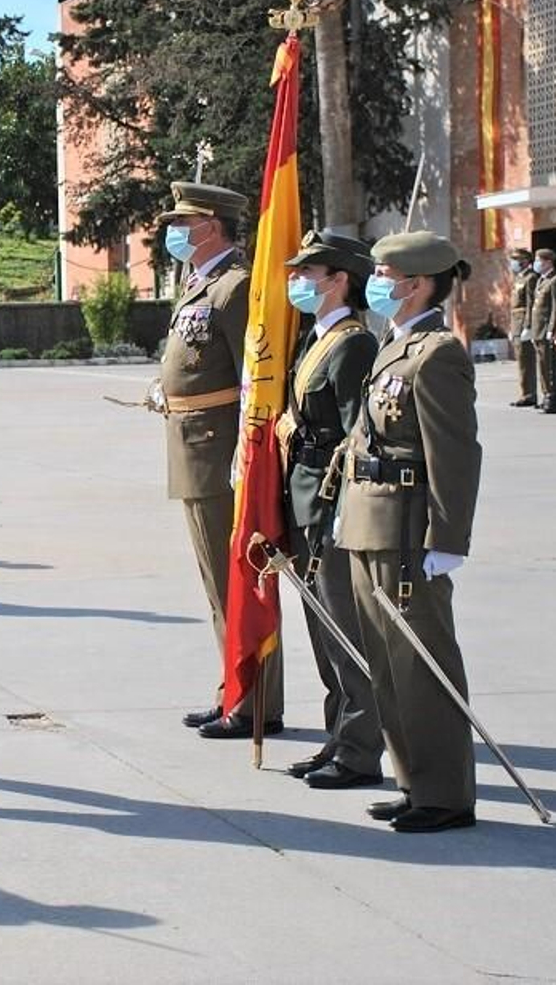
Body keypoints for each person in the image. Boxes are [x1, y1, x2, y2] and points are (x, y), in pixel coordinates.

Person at [337, 231, 482, 834]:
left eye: (383, 274)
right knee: (387, 663)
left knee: (423, 663)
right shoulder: (395, 346)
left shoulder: (437, 352)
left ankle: (445, 793)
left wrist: (447, 539)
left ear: (417, 284)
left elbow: (454, 453)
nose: (375, 282)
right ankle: (413, 780)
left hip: (407, 529)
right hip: (371, 518)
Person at [147, 181, 283, 739]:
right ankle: (233, 689)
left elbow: (258, 377)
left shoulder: (235, 286)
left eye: (184, 223)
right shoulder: (200, 283)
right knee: (215, 582)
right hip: (190, 443)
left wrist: (248, 454)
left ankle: (254, 704)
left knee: (237, 583)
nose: (175, 233)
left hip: (219, 448)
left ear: (214, 227)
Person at [277, 231, 382, 789]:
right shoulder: (316, 337)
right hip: (302, 495)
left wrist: (343, 510)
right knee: (322, 630)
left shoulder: (354, 344)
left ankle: (362, 751)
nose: (296, 281)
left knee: (347, 631)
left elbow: (356, 436)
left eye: (306, 273)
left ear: (339, 279)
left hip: (329, 503)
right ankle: (338, 737)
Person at [526, 248, 556, 414]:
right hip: (538, 330)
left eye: (539, 260)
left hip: (547, 330)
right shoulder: (541, 281)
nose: (536, 263)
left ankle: (553, 397)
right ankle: (546, 394)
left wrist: (552, 329)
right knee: (542, 365)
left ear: (548, 261)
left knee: (549, 366)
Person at [505, 248, 538, 407]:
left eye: (516, 260)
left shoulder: (531, 278)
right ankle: (526, 392)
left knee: (527, 362)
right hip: (517, 323)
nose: (513, 263)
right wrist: (513, 328)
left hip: (524, 322)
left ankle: (529, 394)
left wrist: (528, 326)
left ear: (524, 261)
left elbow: (531, 304)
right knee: (521, 362)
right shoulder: (518, 278)